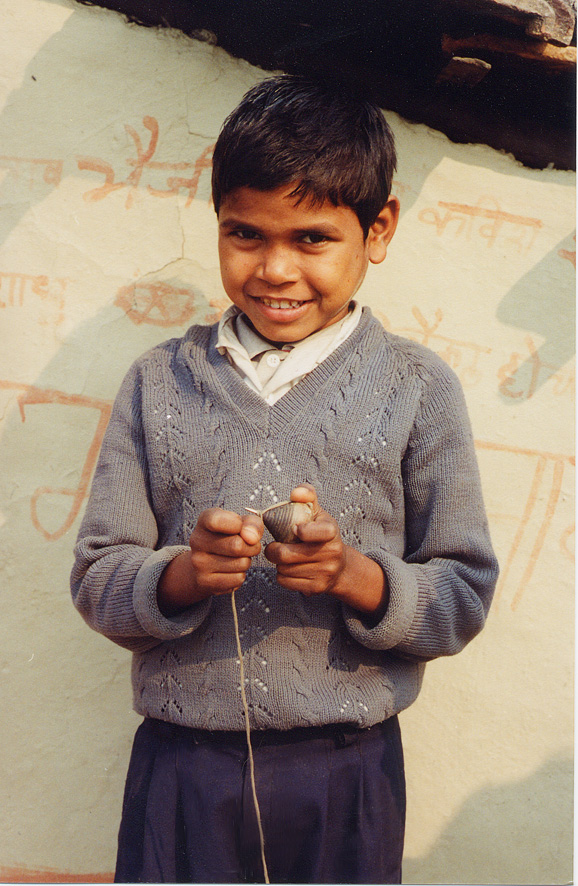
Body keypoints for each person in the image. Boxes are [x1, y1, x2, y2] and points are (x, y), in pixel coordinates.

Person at [71, 74, 499, 885]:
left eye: (311, 239)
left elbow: (464, 592)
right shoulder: (160, 381)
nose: (275, 269)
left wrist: (357, 577)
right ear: (219, 225)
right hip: (183, 767)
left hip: (347, 767)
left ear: (378, 230)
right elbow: (97, 575)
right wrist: (184, 577)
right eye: (245, 234)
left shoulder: (417, 388)